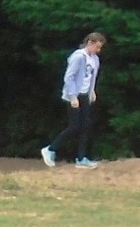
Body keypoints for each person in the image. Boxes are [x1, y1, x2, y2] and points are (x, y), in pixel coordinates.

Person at [42, 32, 106, 169]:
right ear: (89, 43)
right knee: (74, 126)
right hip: (75, 95)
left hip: (85, 95)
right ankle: (50, 149)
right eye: (97, 47)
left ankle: (81, 158)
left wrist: (92, 91)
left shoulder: (95, 59)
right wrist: (72, 96)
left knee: (85, 126)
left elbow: (92, 77)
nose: (98, 50)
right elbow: (69, 77)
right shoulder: (78, 57)